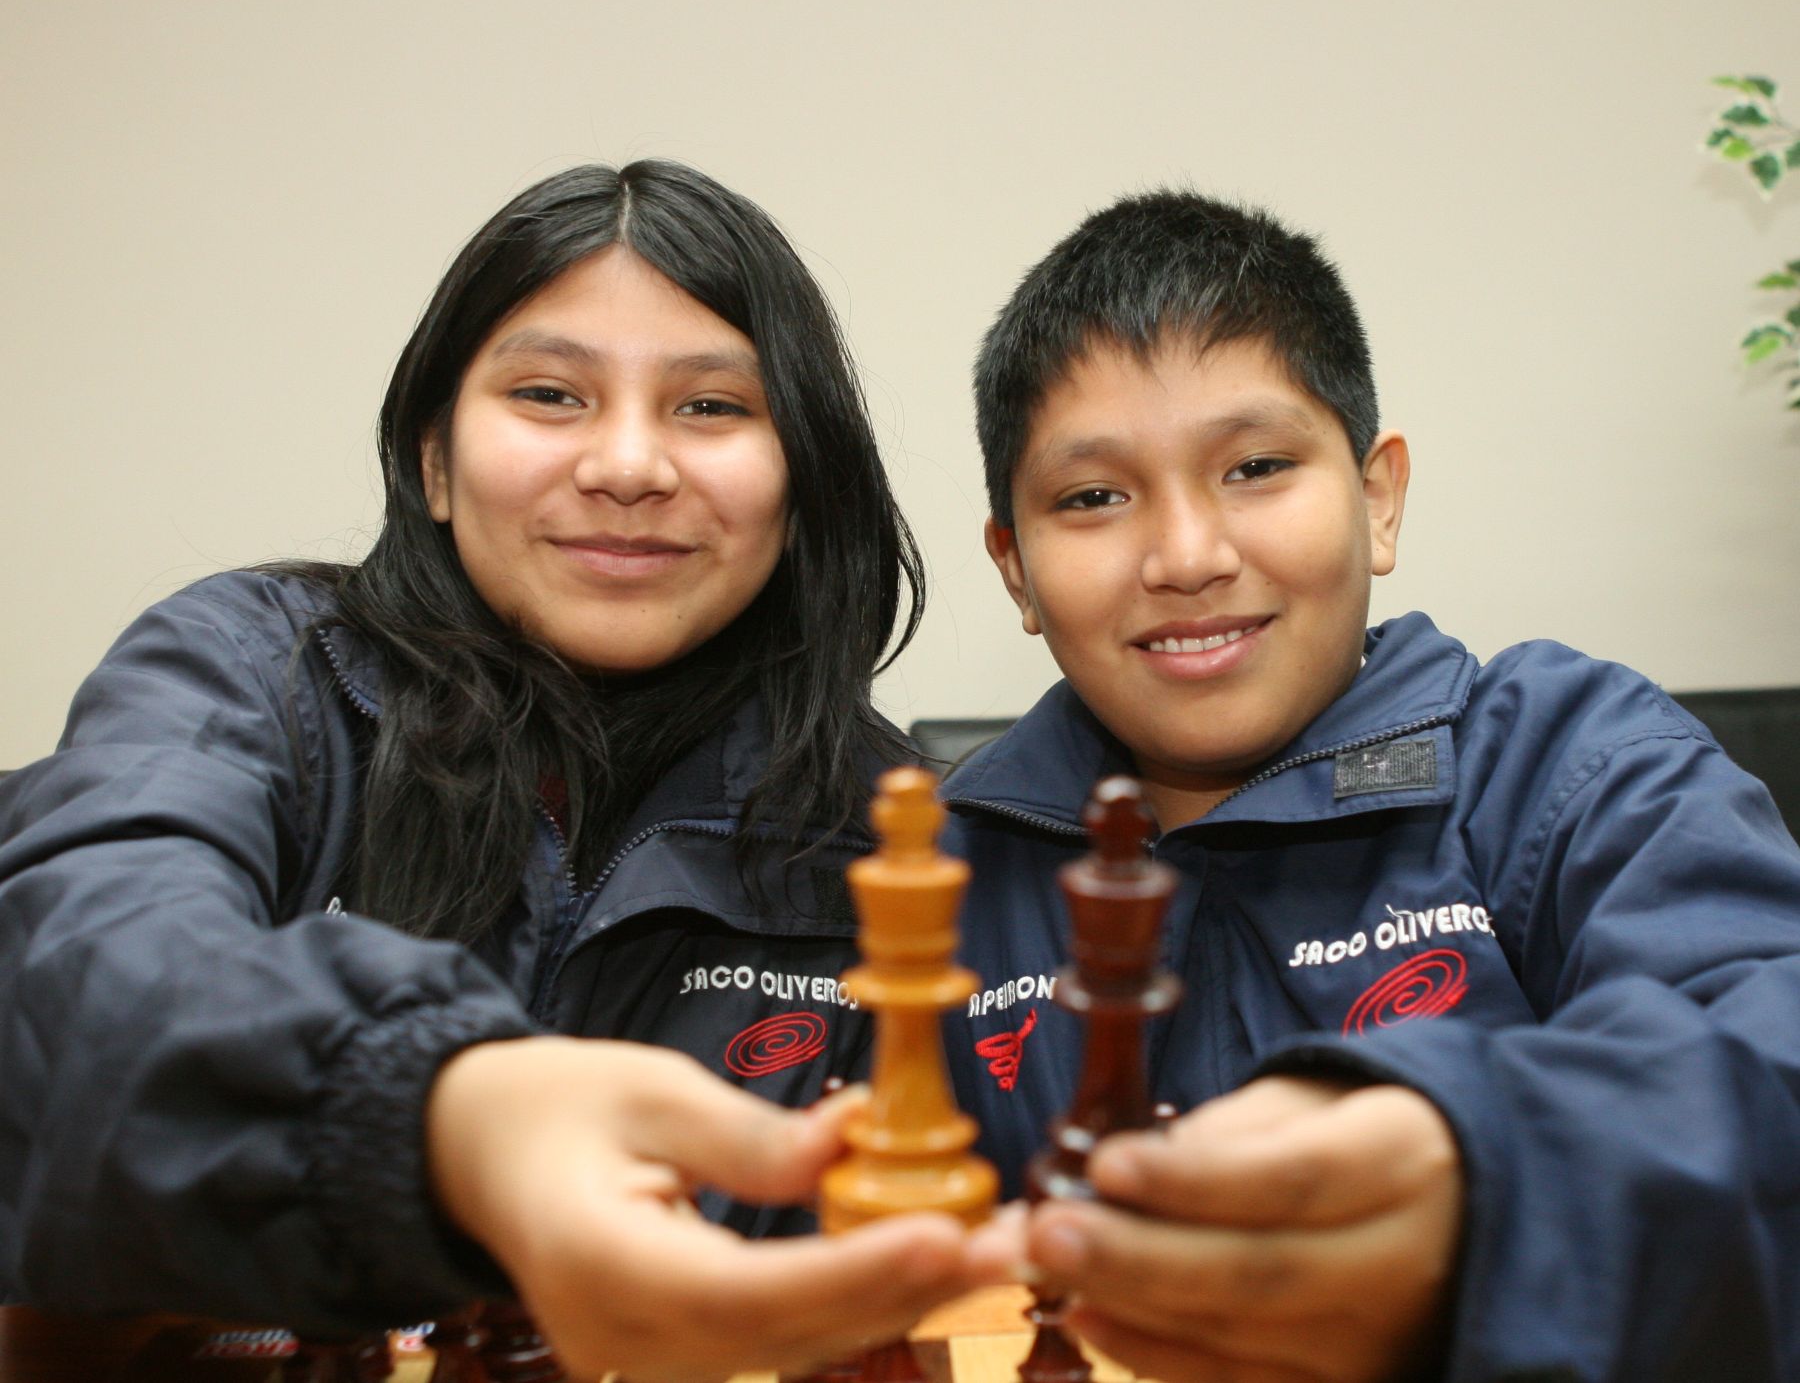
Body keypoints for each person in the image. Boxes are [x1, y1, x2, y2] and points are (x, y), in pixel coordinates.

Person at [0, 161, 1010, 1381]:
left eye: (710, 408)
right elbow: (78, 974)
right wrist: (433, 1115)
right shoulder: (242, 674)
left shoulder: (882, 831)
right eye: (549, 394)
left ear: (800, 487)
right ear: (432, 457)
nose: (630, 464)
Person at [938, 190, 1800, 1381]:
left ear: (1378, 496)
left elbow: (1770, 1043)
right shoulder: (937, 873)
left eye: (1255, 466)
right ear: (1016, 569)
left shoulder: (1566, 757)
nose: (1188, 555)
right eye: (1093, 496)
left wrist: (1479, 1155)